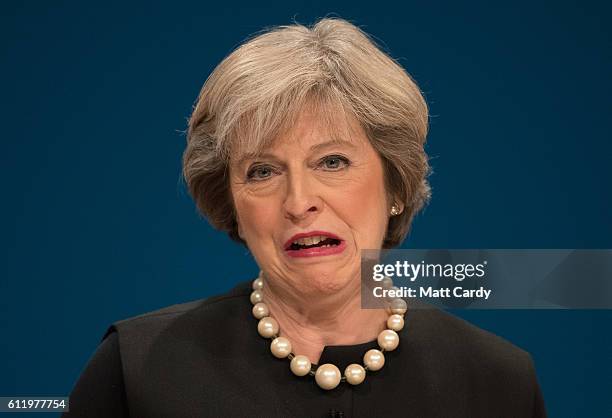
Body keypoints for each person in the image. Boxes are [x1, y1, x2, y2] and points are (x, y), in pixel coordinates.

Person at [64, 18, 546, 417]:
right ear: (231, 201)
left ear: (395, 185)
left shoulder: (499, 382)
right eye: (263, 171)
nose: (299, 201)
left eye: (332, 162)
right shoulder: (137, 369)